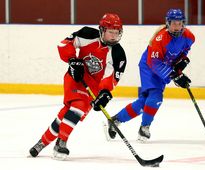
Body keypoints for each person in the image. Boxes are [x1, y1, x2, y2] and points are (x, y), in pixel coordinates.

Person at [29, 13, 127, 160]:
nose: (113, 36)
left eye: (116, 32)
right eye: (110, 32)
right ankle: (61, 143)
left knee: (65, 115)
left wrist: (105, 93)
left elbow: (111, 78)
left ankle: (41, 143)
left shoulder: (118, 54)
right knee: (78, 106)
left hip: (92, 89)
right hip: (75, 78)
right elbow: (64, 44)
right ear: (102, 30)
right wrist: (73, 60)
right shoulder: (87, 34)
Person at [105, 9, 195, 142]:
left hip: (164, 65)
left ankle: (115, 120)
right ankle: (144, 128)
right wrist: (174, 75)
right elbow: (154, 62)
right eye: (174, 23)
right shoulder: (160, 39)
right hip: (149, 67)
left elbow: (184, 51)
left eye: (179, 23)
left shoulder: (189, 37)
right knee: (156, 96)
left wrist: (180, 65)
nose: (177, 27)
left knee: (145, 102)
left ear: (183, 23)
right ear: (168, 23)